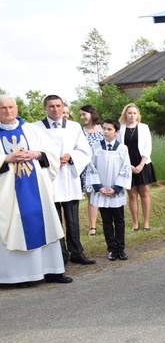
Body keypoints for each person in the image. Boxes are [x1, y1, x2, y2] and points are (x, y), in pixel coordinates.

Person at [0, 95, 70, 285]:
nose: (8, 111)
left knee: (45, 221)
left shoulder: (31, 130)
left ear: (17, 108)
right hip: (8, 193)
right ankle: (18, 277)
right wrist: (7, 158)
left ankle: (52, 271)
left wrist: (36, 154)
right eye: (3, 108)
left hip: (37, 189)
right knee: (13, 225)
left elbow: (52, 153)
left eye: (11, 107)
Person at [33, 94, 95, 266]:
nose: (56, 109)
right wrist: (50, 159)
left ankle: (76, 252)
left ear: (63, 107)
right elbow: (33, 151)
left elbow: (85, 151)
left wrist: (70, 156)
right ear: (45, 108)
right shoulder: (36, 128)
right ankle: (59, 255)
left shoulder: (74, 127)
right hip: (49, 178)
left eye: (58, 106)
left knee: (72, 218)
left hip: (69, 177)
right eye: (51, 106)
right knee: (54, 219)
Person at [85, 119, 132, 261]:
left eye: (109, 129)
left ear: (116, 132)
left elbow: (125, 168)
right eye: (104, 129)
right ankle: (111, 249)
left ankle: (121, 249)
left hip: (115, 191)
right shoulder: (95, 147)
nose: (106, 131)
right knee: (106, 221)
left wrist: (116, 188)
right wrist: (98, 187)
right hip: (102, 191)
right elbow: (91, 167)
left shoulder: (122, 148)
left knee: (119, 220)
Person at [118, 103, 157, 231]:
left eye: (134, 113)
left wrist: (140, 165)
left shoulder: (144, 127)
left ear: (138, 115)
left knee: (144, 193)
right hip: (127, 164)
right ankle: (135, 223)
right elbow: (119, 149)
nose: (132, 115)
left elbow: (148, 147)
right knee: (132, 194)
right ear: (125, 114)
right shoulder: (121, 129)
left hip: (143, 163)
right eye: (129, 113)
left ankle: (146, 222)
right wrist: (128, 165)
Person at [79, 105, 104, 237]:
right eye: (81, 115)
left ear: (92, 114)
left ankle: (108, 223)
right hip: (88, 168)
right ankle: (92, 227)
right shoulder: (81, 132)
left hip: (103, 167)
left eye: (84, 114)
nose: (82, 117)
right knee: (92, 198)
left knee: (106, 195)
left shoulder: (102, 129)